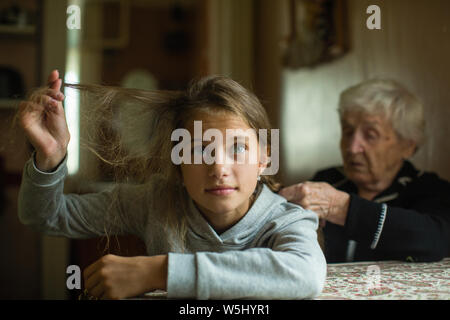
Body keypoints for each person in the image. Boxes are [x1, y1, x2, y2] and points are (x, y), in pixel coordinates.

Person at [17, 70, 326, 300]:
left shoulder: (287, 219)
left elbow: (305, 274)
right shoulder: (154, 203)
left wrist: (157, 272)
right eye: (198, 149)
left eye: (238, 148)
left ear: (264, 159)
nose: (219, 168)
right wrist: (50, 156)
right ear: (178, 165)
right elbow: (45, 215)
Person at [280, 79, 450, 263]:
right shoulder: (327, 180)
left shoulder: (429, 189)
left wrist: (339, 207)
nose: (353, 148)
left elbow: (436, 241)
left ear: (407, 146)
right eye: (348, 132)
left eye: (370, 135)